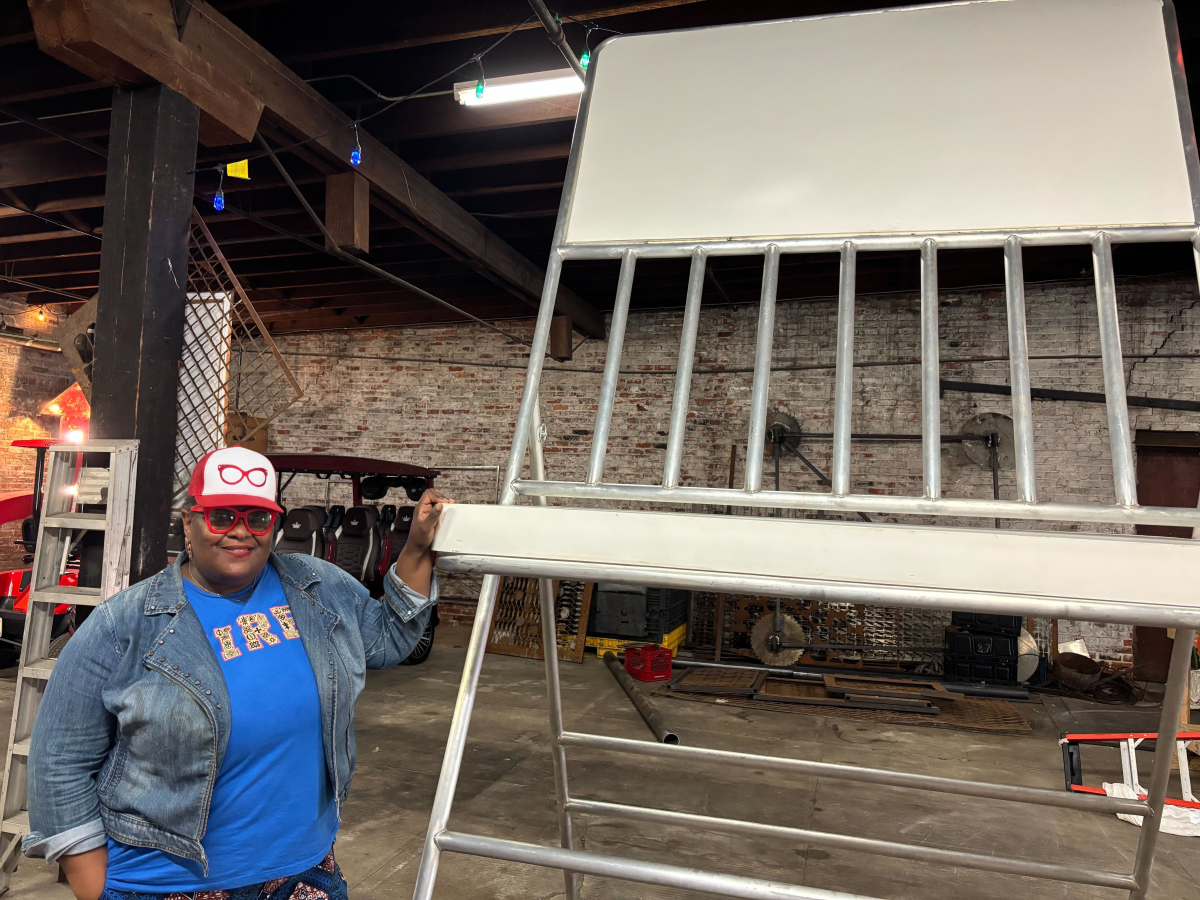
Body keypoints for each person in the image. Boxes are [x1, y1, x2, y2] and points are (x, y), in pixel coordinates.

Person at [23, 446, 451, 900]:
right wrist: (96, 890)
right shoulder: (122, 626)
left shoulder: (318, 588)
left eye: (257, 518)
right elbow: (59, 764)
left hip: (303, 874)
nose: (240, 531)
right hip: (166, 884)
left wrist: (417, 546)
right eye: (222, 515)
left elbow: (388, 640)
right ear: (188, 522)